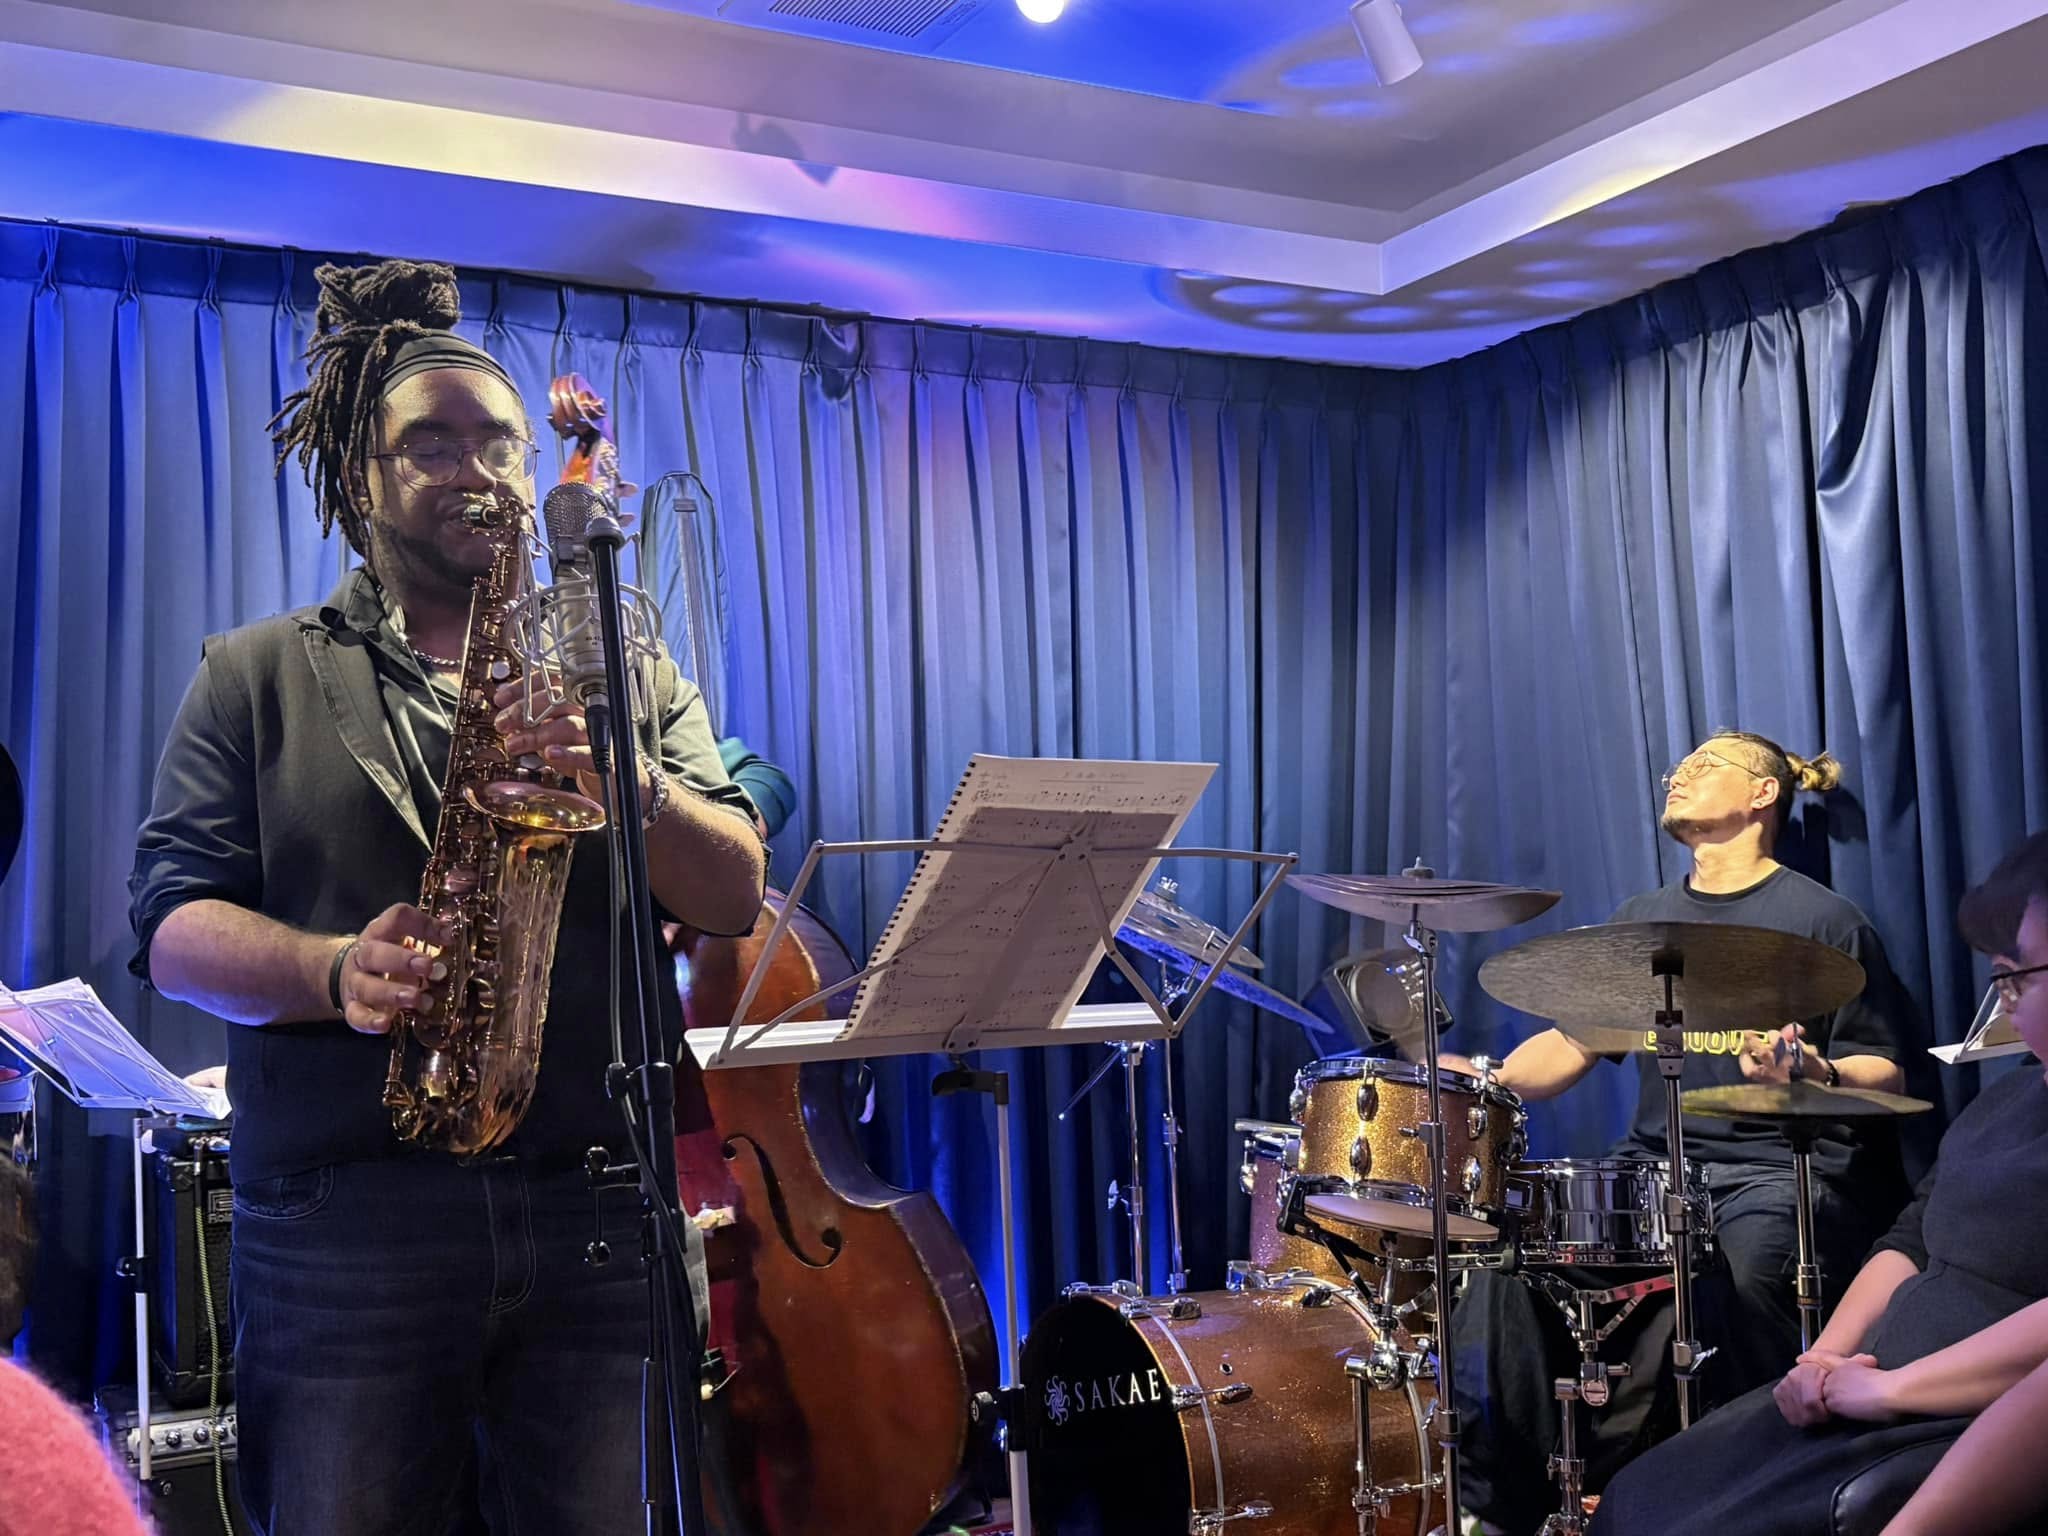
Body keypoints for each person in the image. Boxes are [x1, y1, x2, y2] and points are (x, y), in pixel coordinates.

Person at [127, 259, 766, 1535]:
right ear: (360, 478)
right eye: (431, 444)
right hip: (348, 1225)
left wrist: (625, 777)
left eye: (500, 444)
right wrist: (330, 970)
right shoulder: (250, 676)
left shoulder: (623, 667)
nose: (477, 470)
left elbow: (736, 888)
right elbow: (173, 931)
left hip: (596, 1206)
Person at [1446, 731, 1918, 1534]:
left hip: (1775, 1172)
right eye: (1679, 767)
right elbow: (1572, 1045)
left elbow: (1887, 1070)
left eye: (1706, 766)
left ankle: (1756, 1493)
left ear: (1763, 794)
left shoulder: (1822, 919)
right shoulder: (1643, 921)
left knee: (1750, 1273)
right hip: (1654, 1171)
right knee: (1508, 1263)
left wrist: (1811, 1069)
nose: (1680, 776)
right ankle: (1510, 1505)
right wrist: (1481, 1080)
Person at [1590, 829, 2048, 1536]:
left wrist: (1889, 1391)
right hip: (1871, 1381)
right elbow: (1912, 1239)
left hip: (1943, 1410)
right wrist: (1823, 1359)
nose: (2005, 1001)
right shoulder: (2010, 1098)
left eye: (2018, 977)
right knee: (1640, 1494)